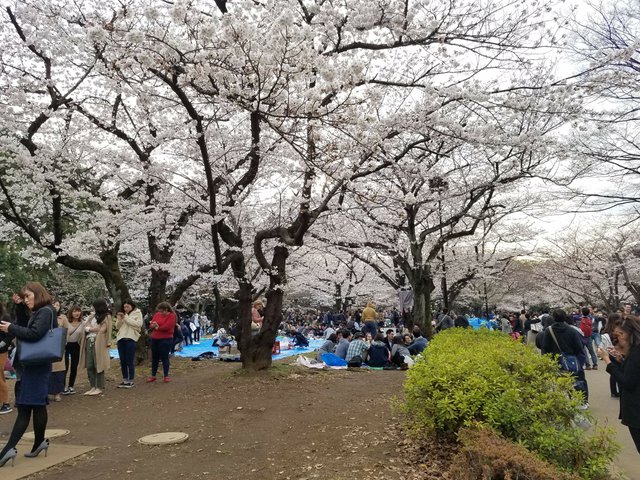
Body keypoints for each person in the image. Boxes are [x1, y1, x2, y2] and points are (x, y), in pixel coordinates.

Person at [0, 282, 58, 467]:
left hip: (36, 366)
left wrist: (10, 328)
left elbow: (33, 333)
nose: (26, 300)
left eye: (27, 296)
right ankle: (39, 442)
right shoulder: (41, 311)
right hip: (36, 365)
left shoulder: (46, 311)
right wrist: (19, 307)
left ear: (37, 294)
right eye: (24, 297)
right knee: (37, 405)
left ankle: (8, 449)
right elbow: (25, 325)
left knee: (25, 406)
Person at [598, 315, 640, 454]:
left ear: (631, 333)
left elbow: (627, 382)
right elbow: (632, 373)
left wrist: (607, 361)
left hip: (636, 410)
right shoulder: (634, 351)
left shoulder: (636, 353)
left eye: (621, 334)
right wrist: (618, 359)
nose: (618, 338)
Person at [537, 309, 589, 408]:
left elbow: (545, 348)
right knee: (579, 381)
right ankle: (582, 401)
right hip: (572, 361)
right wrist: (580, 362)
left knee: (558, 382)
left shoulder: (549, 330)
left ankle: (561, 403)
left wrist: (546, 362)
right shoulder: (571, 330)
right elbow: (579, 348)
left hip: (555, 361)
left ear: (554, 318)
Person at [79, 298, 112, 396]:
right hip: (89, 341)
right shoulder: (92, 316)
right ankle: (92, 386)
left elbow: (101, 329)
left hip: (99, 342)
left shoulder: (107, 316)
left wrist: (90, 328)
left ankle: (99, 387)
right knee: (90, 365)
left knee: (98, 364)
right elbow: (86, 325)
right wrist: (90, 328)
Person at [115, 299, 143, 388]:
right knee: (122, 360)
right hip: (121, 339)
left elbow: (138, 325)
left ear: (132, 306)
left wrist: (125, 318)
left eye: (128, 306)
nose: (126, 308)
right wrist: (120, 319)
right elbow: (117, 326)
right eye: (124, 307)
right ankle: (125, 380)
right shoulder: (122, 314)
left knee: (129, 360)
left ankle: (131, 380)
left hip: (131, 339)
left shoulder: (137, 313)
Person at [147, 302, 177, 383]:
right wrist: (153, 326)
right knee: (155, 357)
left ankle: (166, 375)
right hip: (155, 338)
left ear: (166, 309)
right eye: (159, 311)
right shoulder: (157, 315)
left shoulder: (172, 316)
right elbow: (151, 324)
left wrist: (157, 327)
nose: (160, 313)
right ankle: (153, 375)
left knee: (164, 357)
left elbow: (167, 327)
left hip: (166, 339)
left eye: (162, 311)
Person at [48, 300, 68, 402]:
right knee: (47, 370)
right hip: (47, 347)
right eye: (53, 305)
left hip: (59, 347)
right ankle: (47, 392)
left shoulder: (63, 318)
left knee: (59, 371)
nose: (55, 307)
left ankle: (57, 393)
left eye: (57, 305)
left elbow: (66, 331)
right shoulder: (45, 317)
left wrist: (64, 343)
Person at [63, 304, 84, 395]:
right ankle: (63, 386)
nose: (77, 313)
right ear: (71, 312)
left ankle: (71, 386)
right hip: (66, 346)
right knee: (65, 367)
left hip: (76, 345)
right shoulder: (66, 322)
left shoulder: (83, 323)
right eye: (75, 311)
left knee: (74, 367)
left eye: (78, 311)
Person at [0, 301, 13, 414]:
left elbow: (10, 334)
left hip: (1, 352)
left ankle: (6, 403)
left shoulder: (5, 317)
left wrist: (2, 344)